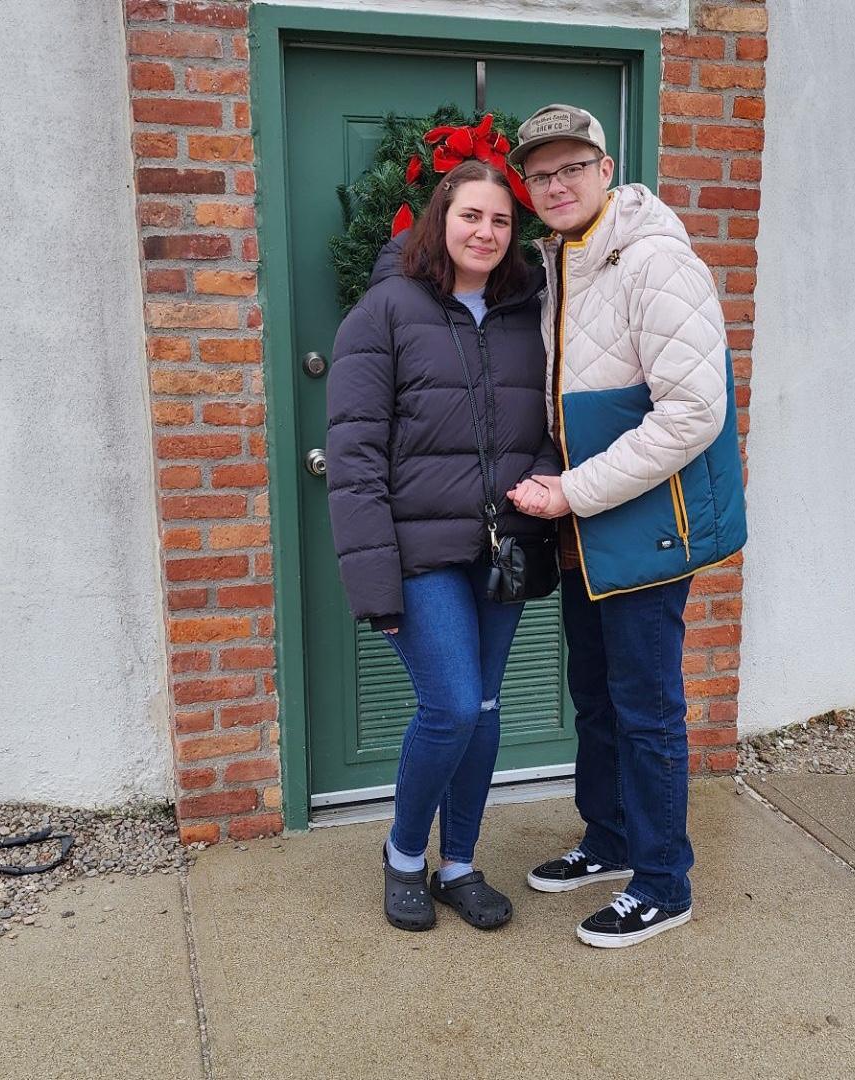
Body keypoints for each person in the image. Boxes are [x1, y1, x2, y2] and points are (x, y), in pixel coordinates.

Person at [505, 104, 748, 948]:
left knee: (646, 708)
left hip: (644, 525)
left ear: (607, 170)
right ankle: (609, 840)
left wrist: (571, 492)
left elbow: (692, 414)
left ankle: (662, 880)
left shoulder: (653, 259)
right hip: (590, 530)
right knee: (597, 698)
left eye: (573, 167)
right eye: (541, 174)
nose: (557, 184)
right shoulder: (566, 260)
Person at [326, 159, 560, 933]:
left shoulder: (533, 311)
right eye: (471, 216)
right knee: (452, 705)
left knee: (487, 710)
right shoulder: (384, 311)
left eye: (500, 220)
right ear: (441, 219)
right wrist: (374, 588)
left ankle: (458, 862)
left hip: (504, 548)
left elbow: (558, 421)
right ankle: (402, 856)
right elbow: (354, 459)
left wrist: (549, 478)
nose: (486, 232)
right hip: (420, 553)